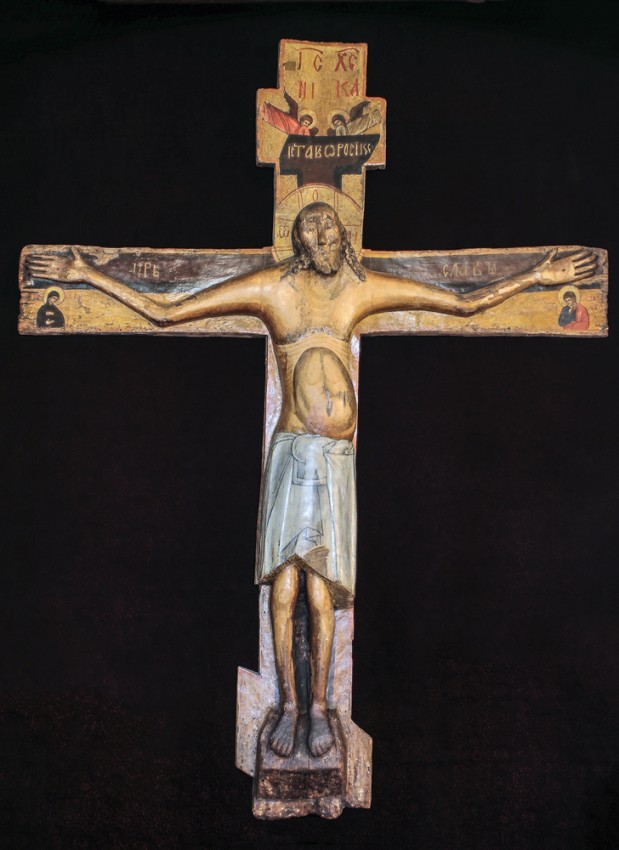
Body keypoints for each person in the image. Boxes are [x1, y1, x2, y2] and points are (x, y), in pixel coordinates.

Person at [27, 205, 597, 759]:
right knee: (284, 589)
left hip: (333, 461)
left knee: (321, 591)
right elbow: (167, 310)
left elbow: (461, 303)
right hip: (293, 451)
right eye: (310, 228)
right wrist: (86, 274)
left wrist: (537, 277)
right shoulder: (274, 290)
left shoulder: (360, 290)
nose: (321, 235)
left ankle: (319, 707)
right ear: (299, 242)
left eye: (328, 226)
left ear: (343, 236)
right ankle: (288, 706)